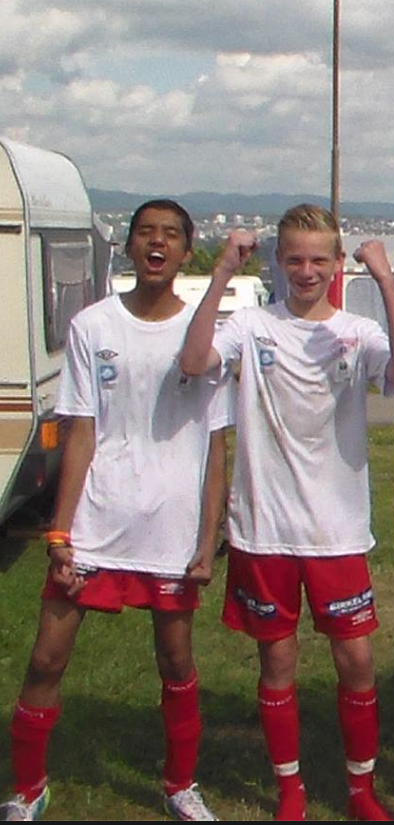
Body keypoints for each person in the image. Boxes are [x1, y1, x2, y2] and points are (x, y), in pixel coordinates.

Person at [179, 205, 394, 821]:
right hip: (264, 529)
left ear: (337, 264)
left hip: (337, 530)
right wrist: (222, 271)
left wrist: (387, 281)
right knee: (277, 662)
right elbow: (193, 362)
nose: (306, 271)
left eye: (318, 259)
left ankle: (361, 789)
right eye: (294, 259)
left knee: (357, 663)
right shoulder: (253, 324)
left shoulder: (357, 331)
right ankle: (291, 791)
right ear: (279, 262)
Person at [3, 201, 228, 823]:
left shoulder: (206, 335)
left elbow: (215, 447)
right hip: (96, 525)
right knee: (46, 657)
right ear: (129, 247)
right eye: (146, 232)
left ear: (187, 251)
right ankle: (27, 789)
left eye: (172, 234)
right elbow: (81, 432)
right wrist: (59, 531)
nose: (157, 243)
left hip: (170, 531)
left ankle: (180, 784)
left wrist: (207, 543)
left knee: (176, 662)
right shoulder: (92, 326)